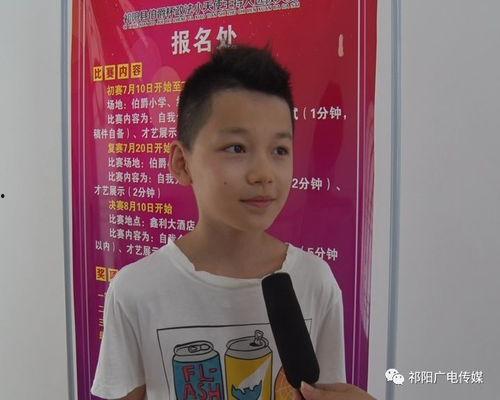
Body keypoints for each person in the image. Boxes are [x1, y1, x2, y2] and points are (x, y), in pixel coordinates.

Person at [91, 45, 374, 400]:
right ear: (181, 163)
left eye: (279, 150)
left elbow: (324, 390)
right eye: (237, 148)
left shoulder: (316, 281)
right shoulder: (135, 291)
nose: (264, 173)